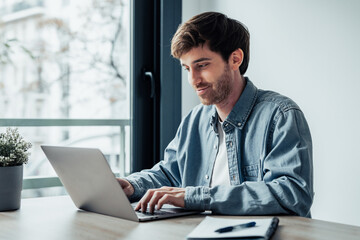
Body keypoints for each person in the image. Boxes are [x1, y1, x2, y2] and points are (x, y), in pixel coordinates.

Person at [117, 11, 314, 217]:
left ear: (235, 59)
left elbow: (292, 194)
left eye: (202, 65)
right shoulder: (195, 120)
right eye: (187, 68)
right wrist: (132, 185)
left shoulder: (280, 115)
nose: (194, 80)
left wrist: (196, 197)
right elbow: (169, 173)